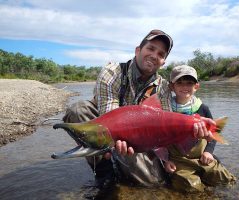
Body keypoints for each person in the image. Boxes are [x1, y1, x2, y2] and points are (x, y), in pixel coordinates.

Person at [63, 29, 216, 187]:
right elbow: (108, 116)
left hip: (139, 139)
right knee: (78, 109)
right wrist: (114, 143)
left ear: (163, 62)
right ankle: (104, 169)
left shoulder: (163, 88)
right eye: (150, 48)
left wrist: (196, 127)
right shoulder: (112, 73)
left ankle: (121, 164)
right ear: (138, 50)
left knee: (154, 183)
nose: (154, 55)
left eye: (161, 54)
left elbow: (164, 130)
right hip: (112, 130)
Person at [158, 65, 236, 192]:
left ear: (196, 87)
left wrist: (208, 152)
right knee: (189, 186)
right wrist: (165, 161)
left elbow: (213, 134)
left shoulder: (203, 108)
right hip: (178, 160)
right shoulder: (166, 109)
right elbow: (159, 140)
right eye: (180, 83)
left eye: (189, 83)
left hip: (201, 157)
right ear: (172, 87)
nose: (184, 87)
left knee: (224, 178)